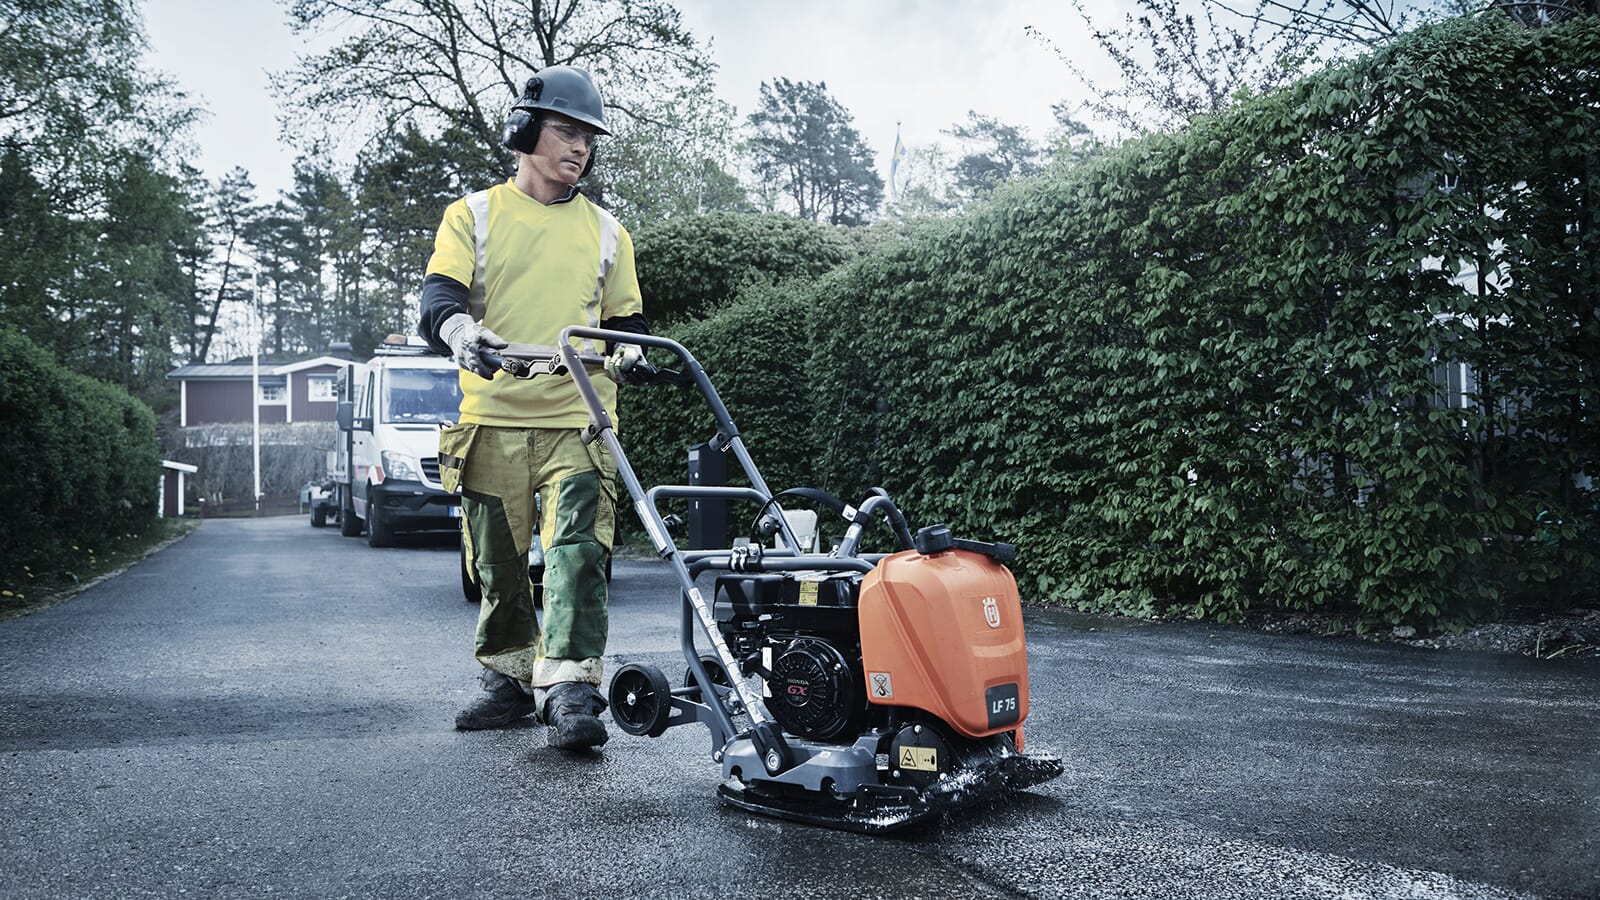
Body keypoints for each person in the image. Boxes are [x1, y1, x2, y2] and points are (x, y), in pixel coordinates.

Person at [418, 65, 648, 751]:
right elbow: (439, 299)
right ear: (523, 131)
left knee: (578, 553)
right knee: (497, 561)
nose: (579, 148)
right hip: (492, 417)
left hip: (580, 420)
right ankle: (509, 680)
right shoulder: (473, 215)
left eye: (588, 139)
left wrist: (629, 355)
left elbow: (626, 323)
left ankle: (572, 688)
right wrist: (462, 334)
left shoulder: (607, 232)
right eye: (567, 132)